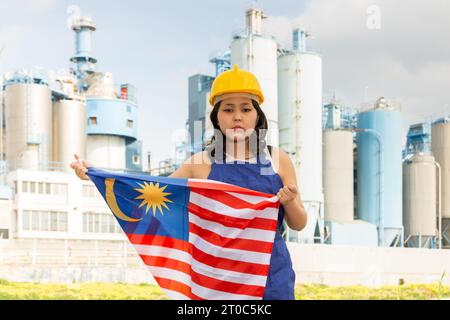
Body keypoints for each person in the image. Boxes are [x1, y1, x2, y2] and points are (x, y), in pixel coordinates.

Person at [70, 64, 308, 300]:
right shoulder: (200, 163)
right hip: (218, 278)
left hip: (271, 276)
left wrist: (290, 202)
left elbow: (299, 223)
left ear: (257, 115)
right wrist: (97, 175)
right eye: (228, 109)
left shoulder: (278, 160)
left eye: (246, 109)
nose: (237, 116)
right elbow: (151, 193)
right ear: (216, 117)